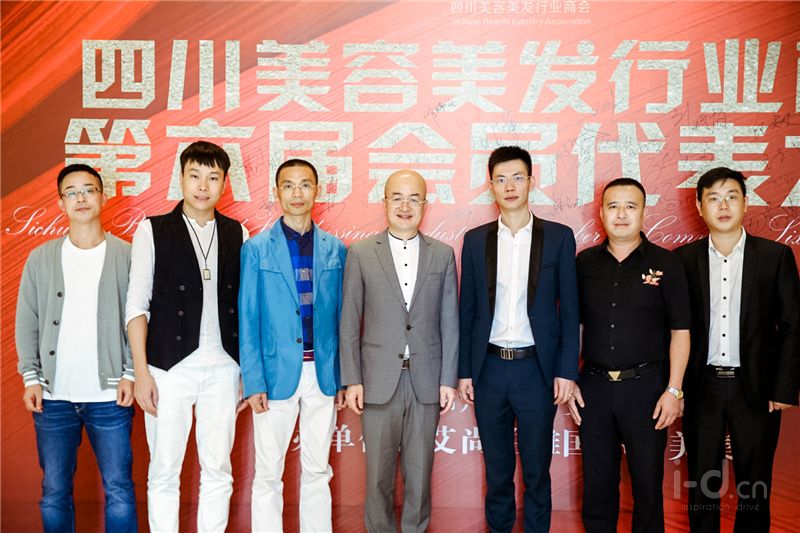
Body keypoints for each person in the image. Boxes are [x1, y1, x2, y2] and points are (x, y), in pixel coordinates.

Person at [126, 141, 248, 533]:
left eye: (213, 177)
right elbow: (136, 307)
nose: (202, 186)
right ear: (180, 178)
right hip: (168, 368)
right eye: (194, 175)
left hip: (224, 368)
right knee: (164, 468)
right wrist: (141, 373)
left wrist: (245, 371)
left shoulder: (238, 232)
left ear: (225, 183)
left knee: (218, 469)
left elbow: (245, 307)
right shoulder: (153, 230)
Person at [458, 145, 580, 533]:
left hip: (536, 371)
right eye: (501, 179)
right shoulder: (475, 240)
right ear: (490, 186)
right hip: (489, 368)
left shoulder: (558, 237)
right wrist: (464, 371)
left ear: (531, 181)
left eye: (517, 178)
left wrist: (566, 371)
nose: (509, 186)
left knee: (536, 469)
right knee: (497, 471)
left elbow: (570, 311)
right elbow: (467, 310)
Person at [675, 167, 800, 533]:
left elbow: (793, 326)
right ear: (699, 206)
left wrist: (784, 388)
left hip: (757, 388)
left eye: (731, 197)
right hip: (702, 386)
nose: (723, 205)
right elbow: (674, 329)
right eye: (713, 198)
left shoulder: (775, 256)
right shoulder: (683, 260)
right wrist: (675, 388)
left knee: (755, 484)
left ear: (745, 203)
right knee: (702, 481)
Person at [15, 164, 137, 532]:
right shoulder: (41, 258)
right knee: (54, 490)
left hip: (110, 396)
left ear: (103, 196)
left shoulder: (128, 255)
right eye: (72, 192)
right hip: (54, 396)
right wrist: (31, 377)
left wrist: (130, 372)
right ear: (60, 203)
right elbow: (27, 320)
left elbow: (140, 319)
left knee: (119, 489)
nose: (81, 198)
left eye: (89, 190)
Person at [568, 178, 691, 533]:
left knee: (647, 485)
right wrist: (570, 379)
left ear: (643, 212)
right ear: (601, 212)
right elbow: (574, 325)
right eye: (613, 206)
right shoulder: (584, 262)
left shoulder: (666, 263)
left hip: (647, 389)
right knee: (597, 486)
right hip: (594, 387)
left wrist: (674, 390)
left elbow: (681, 332)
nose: (621, 214)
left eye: (630, 206)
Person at [339, 169, 458, 533]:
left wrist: (448, 380)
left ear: (425, 204)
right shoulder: (361, 253)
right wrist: (352, 379)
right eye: (397, 198)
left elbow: (450, 321)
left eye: (414, 199)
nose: (405, 206)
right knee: (377, 476)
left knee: (420, 477)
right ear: (385, 202)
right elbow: (349, 320)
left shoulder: (442, 254)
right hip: (377, 380)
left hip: (426, 382)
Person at [239, 159, 347, 532]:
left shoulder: (336, 249)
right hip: (274, 374)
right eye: (288, 185)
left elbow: (343, 318)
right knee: (268, 472)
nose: (297, 193)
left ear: (317, 190)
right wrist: (253, 380)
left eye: (304, 185)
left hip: (323, 373)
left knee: (317, 469)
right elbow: (248, 319)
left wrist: (343, 376)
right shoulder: (256, 249)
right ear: (277, 192)